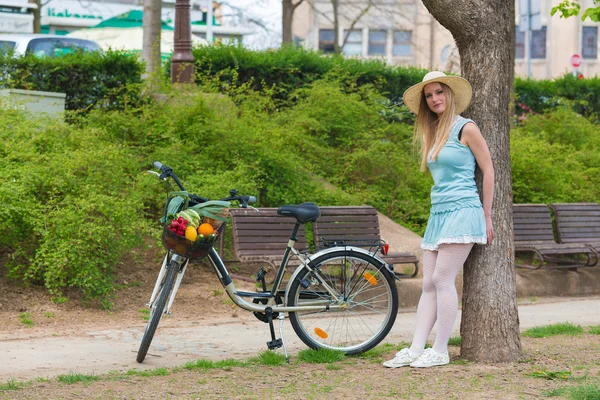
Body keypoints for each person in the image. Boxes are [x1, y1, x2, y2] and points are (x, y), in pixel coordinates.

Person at [383, 71, 494, 368]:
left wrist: (487, 215)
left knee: (441, 279)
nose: (434, 99)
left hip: (463, 211)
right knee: (428, 285)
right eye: (429, 95)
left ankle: (440, 350)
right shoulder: (432, 131)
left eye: (439, 92)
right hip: (439, 213)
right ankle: (416, 349)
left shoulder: (466, 128)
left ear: (449, 93)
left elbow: (489, 169)